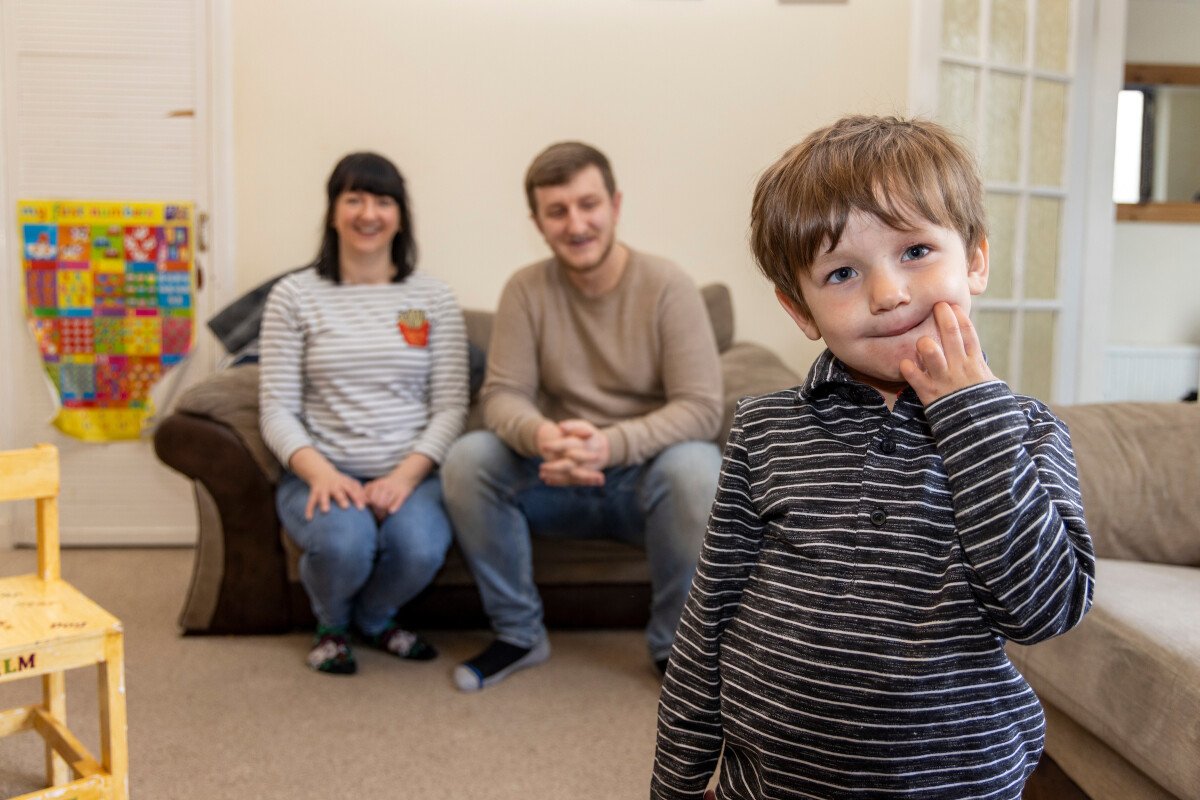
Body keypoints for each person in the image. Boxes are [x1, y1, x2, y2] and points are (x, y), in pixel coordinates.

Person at [651, 116, 1096, 799]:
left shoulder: (1026, 433)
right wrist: (675, 785)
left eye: (916, 251)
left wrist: (969, 415)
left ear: (975, 259)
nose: (887, 293)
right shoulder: (764, 429)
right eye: (842, 272)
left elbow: (1044, 610)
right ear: (801, 310)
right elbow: (708, 618)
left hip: (958, 783)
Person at [440, 141, 724, 692]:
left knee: (697, 466)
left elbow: (701, 408)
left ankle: (675, 650)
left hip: (642, 485)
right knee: (468, 458)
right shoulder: (525, 289)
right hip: (553, 477)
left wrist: (609, 446)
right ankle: (519, 634)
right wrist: (545, 436)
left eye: (588, 204)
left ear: (615, 205)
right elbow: (501, 397)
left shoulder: (667, 285)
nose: (577, 224)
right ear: (538, 223)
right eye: (557, 211)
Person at [259, 152, 469, 675]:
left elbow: (450, 407)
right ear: (333, 212)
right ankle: (331, 625)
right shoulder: (294, 295)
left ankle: (375, 619)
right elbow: (276, 409)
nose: (367, 213)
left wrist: (403, 478)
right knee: (345, 542)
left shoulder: (431, 298)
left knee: (420, 547)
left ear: (401, 214)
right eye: (353, 198)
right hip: (320, 472)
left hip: (411, 475)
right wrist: (322, 474)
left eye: (382, 200)